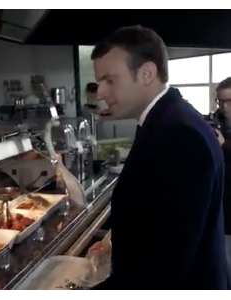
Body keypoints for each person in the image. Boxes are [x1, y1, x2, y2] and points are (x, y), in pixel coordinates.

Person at [90, 26, 229, 290]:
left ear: (146, 73)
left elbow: (164, 266)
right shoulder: (167, 119)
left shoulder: (178, 134)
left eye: (110, 80)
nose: (100, 93)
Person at [213, 78, 231, 280]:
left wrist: (224, 145)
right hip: (223, 212)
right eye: (220, 101)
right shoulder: (221, 122)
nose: (224, 107)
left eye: (229, 101)